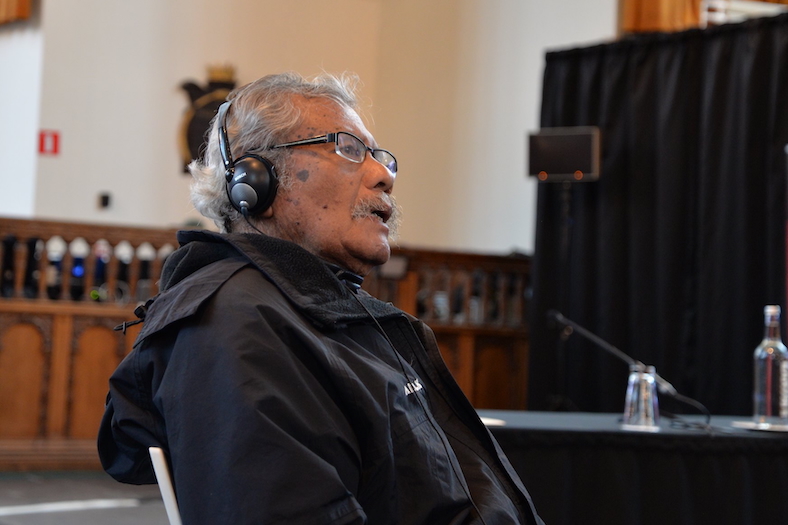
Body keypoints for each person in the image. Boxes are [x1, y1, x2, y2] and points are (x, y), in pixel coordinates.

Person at [98, 71, 544, 524]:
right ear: (256, 182)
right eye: (348, 149)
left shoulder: (317, 310)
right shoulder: (238, 327)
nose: (383, 176)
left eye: (380, 157)